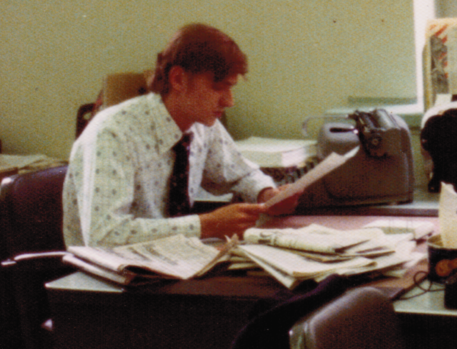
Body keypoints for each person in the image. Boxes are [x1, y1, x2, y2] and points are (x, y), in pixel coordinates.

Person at [63, 23, 301, 248]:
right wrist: (206, 225)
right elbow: (104, 236)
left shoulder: (201, 124)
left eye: (231, 88)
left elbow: (239, 173)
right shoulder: (112, 133)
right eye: (218, 87)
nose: (229, 101)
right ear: (178, 79)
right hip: (109, 281)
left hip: (173, 263)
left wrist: (265, 193)